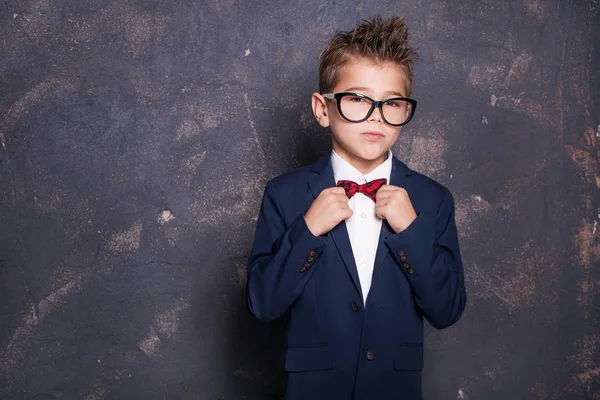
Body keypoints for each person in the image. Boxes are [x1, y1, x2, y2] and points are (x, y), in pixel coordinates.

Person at [246, 15, 466, 400]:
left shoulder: (433, 200)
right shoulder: (285, 194)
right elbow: (263, 304)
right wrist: (307, 231)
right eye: (358, 98)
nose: (376, 115)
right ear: (322, 108)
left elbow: (447, 311)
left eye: (392, 103)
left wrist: (411, 232)